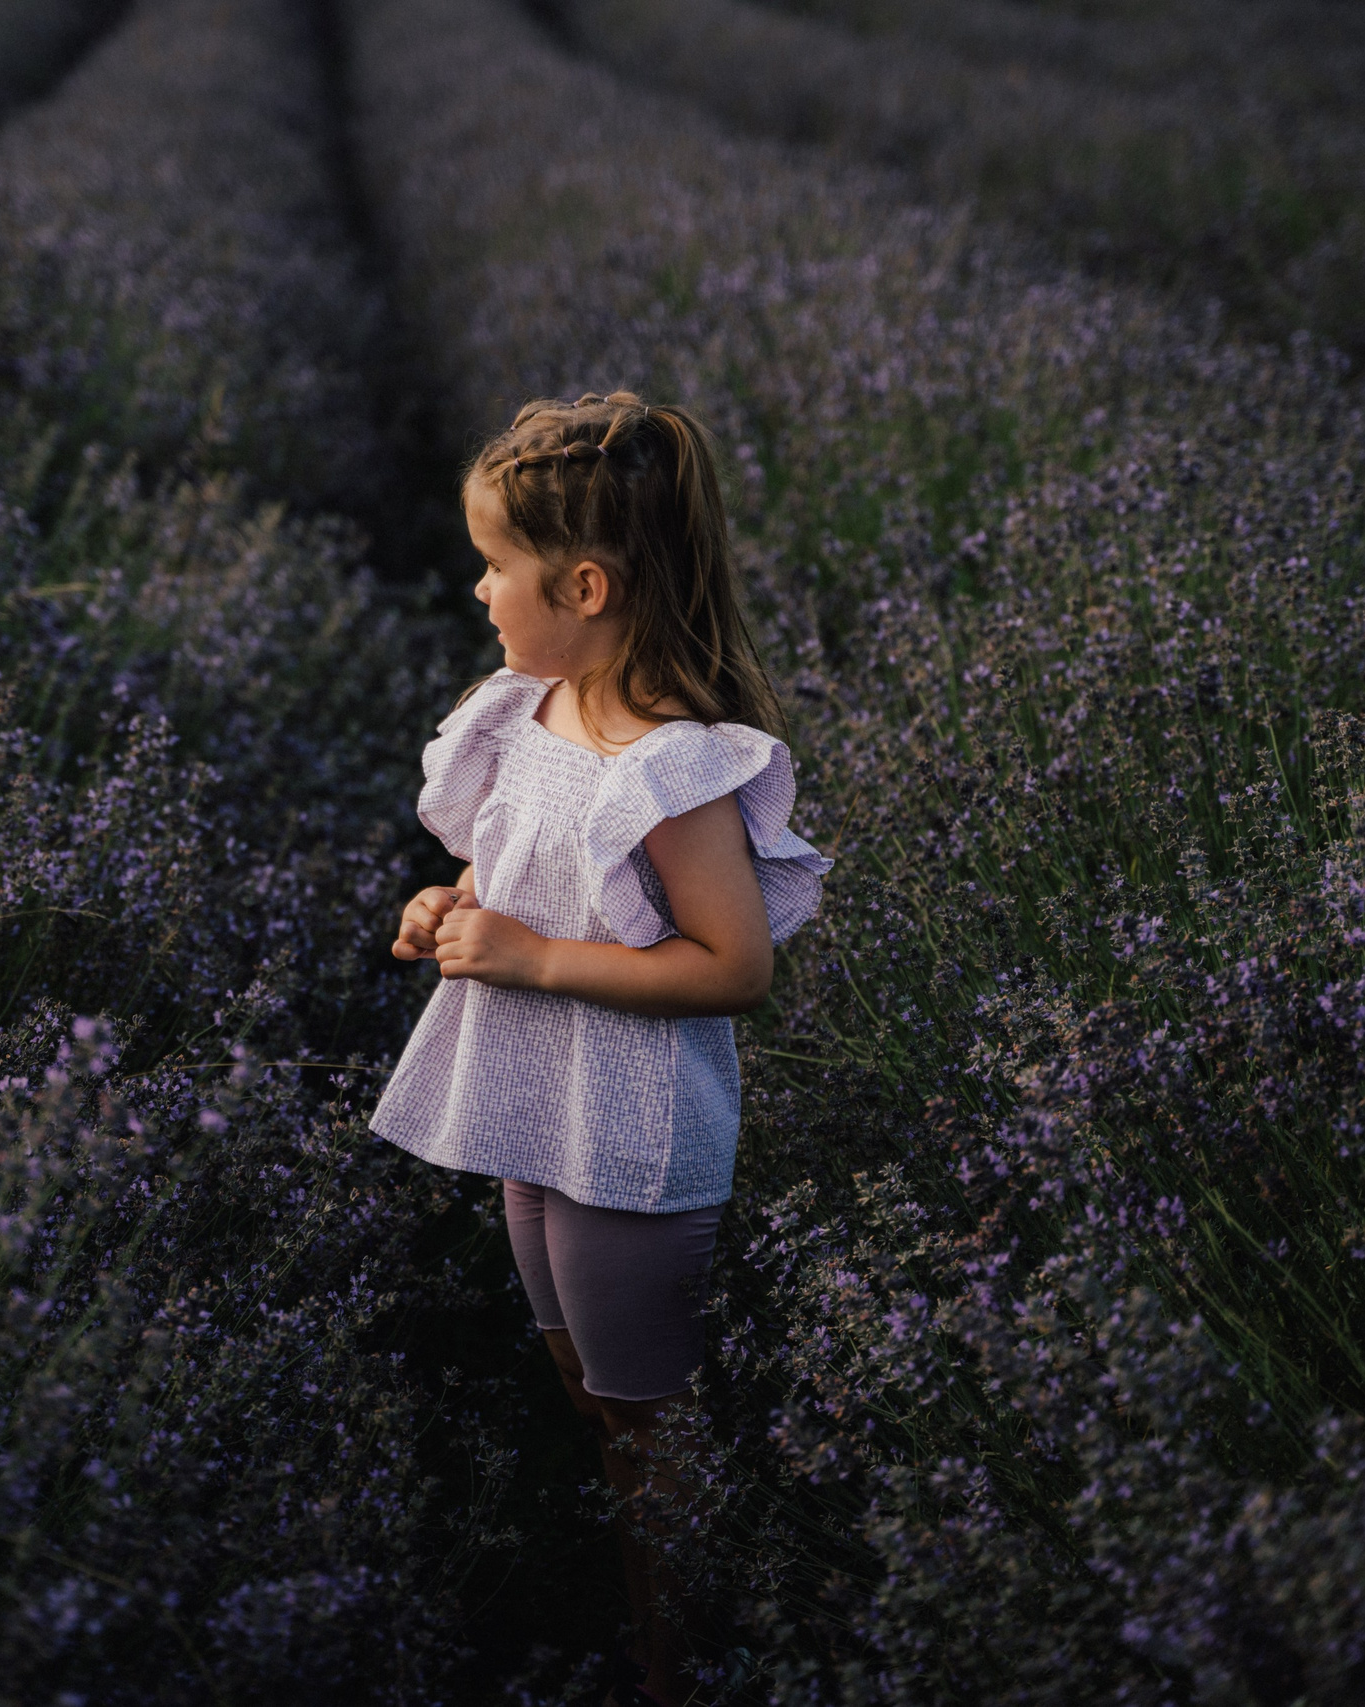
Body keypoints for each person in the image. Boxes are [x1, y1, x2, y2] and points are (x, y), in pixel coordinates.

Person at [372, 392, 831, 1707]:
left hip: (629, 1136)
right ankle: (653, 1615)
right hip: (532, 1107)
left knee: (649, 1420)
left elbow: (734, 967)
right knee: (590, 1387)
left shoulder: (671, 769)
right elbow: (515, 870)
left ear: (584, 586)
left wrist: (532, 958)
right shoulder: (529, 711)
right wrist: (454, 905)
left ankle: (682, 1661)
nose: (478, 590)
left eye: (495, 567)